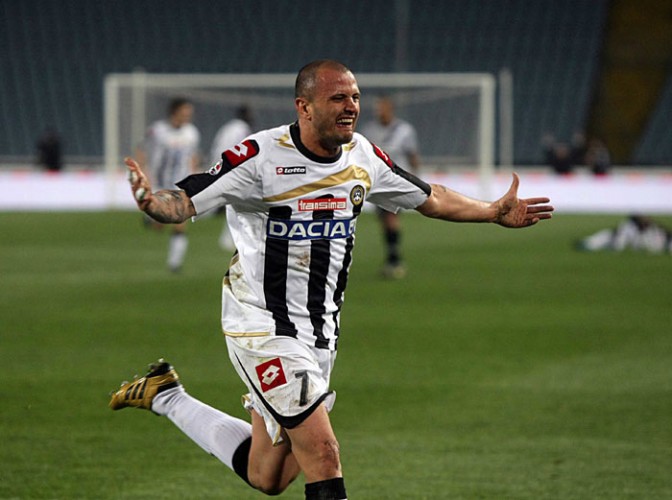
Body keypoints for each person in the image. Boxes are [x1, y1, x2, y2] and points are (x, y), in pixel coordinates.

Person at [110, 60, 553, 500]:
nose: (351, 106)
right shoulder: (260, 157)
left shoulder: (363, 156)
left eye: (355, 97)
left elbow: (430, 197)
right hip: (262, 326)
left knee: (269, 474)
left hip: (320, 333)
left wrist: (492, 211)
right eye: (338, 98)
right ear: (304, 107)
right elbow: (185, 198)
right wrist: (153, 203)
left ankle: (165, 395)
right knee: (323, 455)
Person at [136, 97, 201, 272]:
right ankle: (151, 220)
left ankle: (175, 264)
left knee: (180, 221)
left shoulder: (192, 133)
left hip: (181, 185)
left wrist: (195, 178)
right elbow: (141, 149)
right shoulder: (158, 130)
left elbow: (193, 157)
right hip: (159, 182)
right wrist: (142, 173)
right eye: (185, 112)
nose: (188, 115)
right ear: (175, 112)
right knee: (159, 224)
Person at [361, 96, 420, 278]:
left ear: (390, 109)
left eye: (383, 108)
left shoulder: (404, 130)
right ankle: (393, 257)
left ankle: (394, 260)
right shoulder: (369, 130)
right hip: (376, 182)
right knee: (384, 220)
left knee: (390, 216)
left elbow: (412, 155)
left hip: (397, 180)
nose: (380, 111)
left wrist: (415, 178)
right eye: (378, 108)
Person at [209, 105, 254, 252]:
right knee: (238, 204)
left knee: (235, 204)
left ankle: (230, 238)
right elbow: (244, 150)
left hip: (219, 166)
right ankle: (230, 239)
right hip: (232, 169)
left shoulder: (228, 127)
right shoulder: (242, 129)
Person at [575, 214, 671, 253]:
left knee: (619, 232)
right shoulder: (633, 224)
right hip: (641, 241)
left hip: (648, 244)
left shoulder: (657, 229)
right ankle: (588, 243)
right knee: (610, 234)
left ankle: (590, 244)